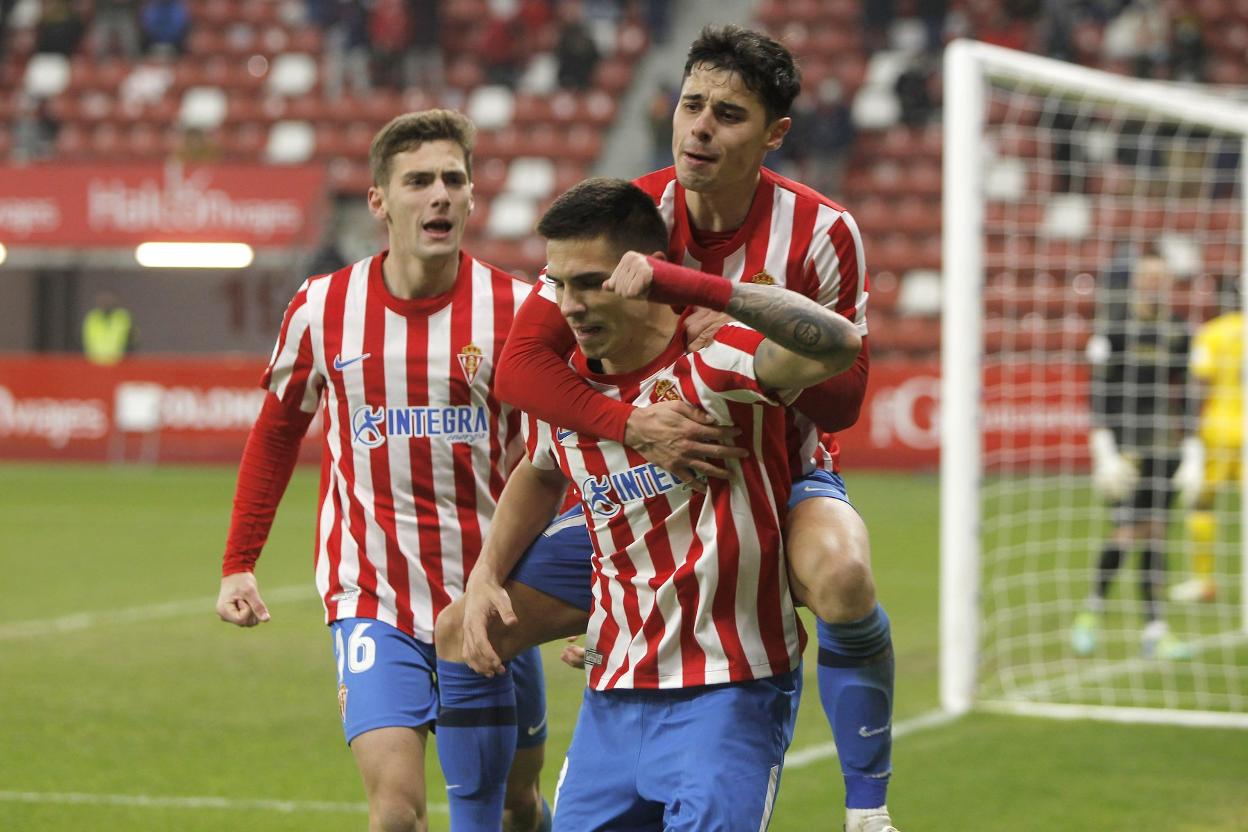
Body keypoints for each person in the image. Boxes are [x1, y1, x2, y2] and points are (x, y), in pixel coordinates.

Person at [473, 25, 901, 832]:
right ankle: (514, 805)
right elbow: (521, 367)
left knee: (842, 575)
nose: (700, 127)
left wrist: (728, 325)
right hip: (642, 480)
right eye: (691, 104)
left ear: (774, 134)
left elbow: (842, 396)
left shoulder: (821, 231)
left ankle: (868, 807)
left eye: (729, 115)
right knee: (471, 633)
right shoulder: (631, 214)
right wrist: (637, 427)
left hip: (779, 466)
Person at [215, 110, 550, 832]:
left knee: (512, 804)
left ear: (470, 198)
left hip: (492, 592)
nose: (439, 195)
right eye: (418, 181)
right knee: (395, 813)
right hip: (371, 594)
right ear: (379, 200)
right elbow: (276, 435)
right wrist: (240, 561)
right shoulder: (322, 307)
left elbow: (557, 460)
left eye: (453, 180)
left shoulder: (519, 312)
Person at [1072, 247, 1195, 660]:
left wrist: (1192, 446)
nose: (1153, 283)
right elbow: (1100, 390)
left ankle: (1155, 630)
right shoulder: (1115, 330)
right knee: (1126, 534)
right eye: (1147, 276)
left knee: (1157, 535)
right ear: (1136, 281)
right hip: (1126, 447)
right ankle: (1091, 612)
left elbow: (1188, 392)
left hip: (1165, 445)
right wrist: (1103, 448)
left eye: (1161, 277)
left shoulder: (1179, 331)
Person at [1169, 301, 1242, 603]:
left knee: (1201, 504)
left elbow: (1198, 380)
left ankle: (1204, 581)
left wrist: (1188, 431)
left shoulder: (1213, 332)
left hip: (1220, 429)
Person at [82, 290, 134, 365]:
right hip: (93, 363)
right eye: (103, 300)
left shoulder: (123, 317)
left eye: (109, 300)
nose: (106, 303)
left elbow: (132, 340)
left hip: (119, 364)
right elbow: (81, 340)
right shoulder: (92, 318)